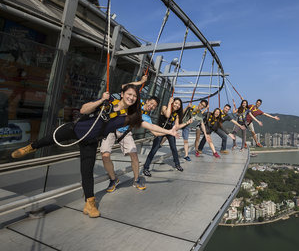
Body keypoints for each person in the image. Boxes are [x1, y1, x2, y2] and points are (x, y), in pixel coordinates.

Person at [11, 85, 178, 218]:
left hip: (90, 142)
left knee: (87, 171)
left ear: (136, 100)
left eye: (134, 96)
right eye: (129, 94)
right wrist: (100, 101)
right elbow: (84, 110)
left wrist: (169, 132)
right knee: (49, 139)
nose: (131, 97)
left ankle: (89, 203)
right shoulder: (108, 101)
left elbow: (149, 126)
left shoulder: (130, 116)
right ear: (122, 93)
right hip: (76, 129)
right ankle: (30, 147)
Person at [100, 75, 157, 193]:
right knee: (105, 156)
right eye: (151, 103)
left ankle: (136, 180)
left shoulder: (146, 117)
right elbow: (125, 87)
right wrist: (140, 82)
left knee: (134, 155)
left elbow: (153, 129)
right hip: (112, 127)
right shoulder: (136, 101)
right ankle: (113, 179)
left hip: (125, 132)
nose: (151, 106)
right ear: (147, 101)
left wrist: (167, 133)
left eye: (154, 106)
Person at [143, 97, 192, 177]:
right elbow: (167, 114)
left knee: (174, 148)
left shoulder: (176, 115)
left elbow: (177, 126)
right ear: (172, 102)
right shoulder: (164, 107)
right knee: (154, 149)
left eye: (179, 104)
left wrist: (187, 123)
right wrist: (169, 103)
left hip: (169, 131)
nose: (177, 105)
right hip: (160, 130)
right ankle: (146, 168)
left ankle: (177, 164)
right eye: (176, 103)